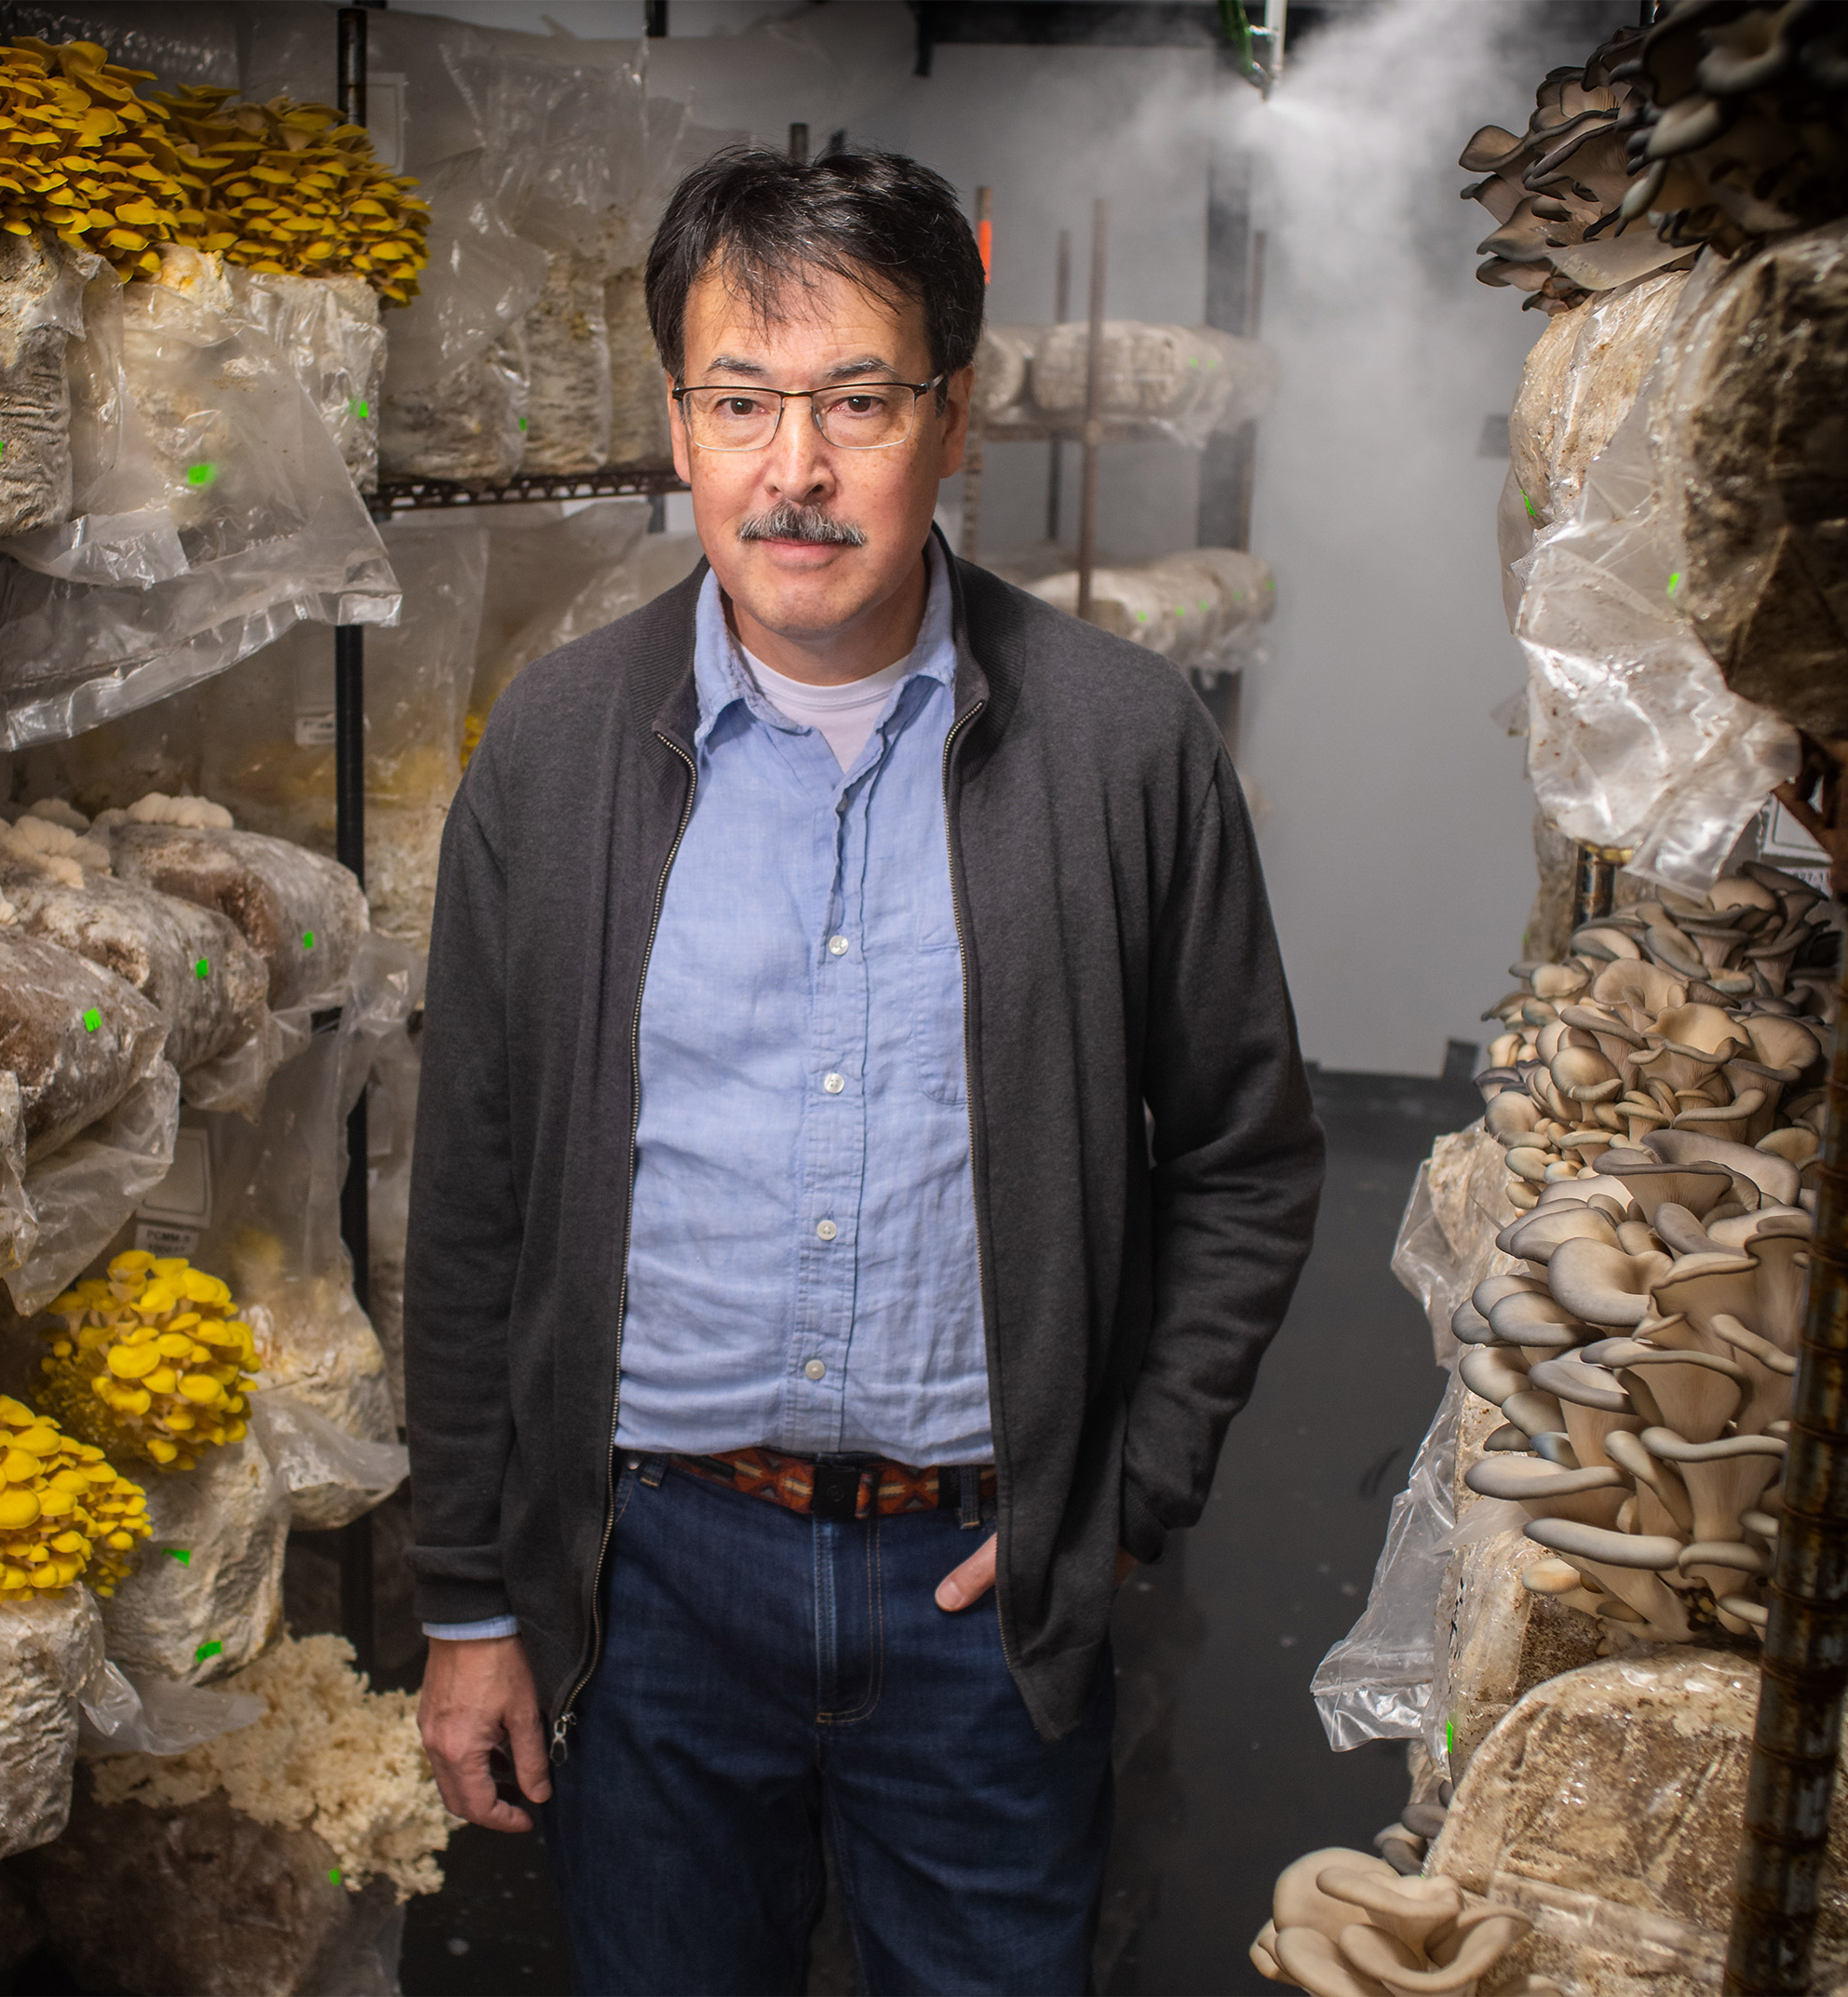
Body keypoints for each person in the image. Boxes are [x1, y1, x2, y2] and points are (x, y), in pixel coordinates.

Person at [405, 144, 1323, 1996]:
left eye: (854, 403)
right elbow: (478, 1191)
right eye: (738, 402)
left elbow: (1244, 1152)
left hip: (980, 1590)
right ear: (675, 421)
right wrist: (468, 1597)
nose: (792, 471)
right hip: (649, 1577)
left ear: (951, 418)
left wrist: (1128, 1489)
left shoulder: (1118, 747)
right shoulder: (561, 749)